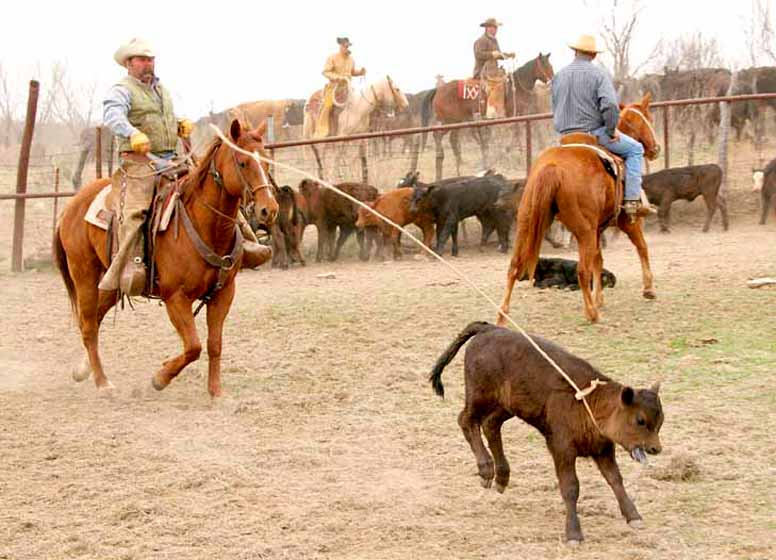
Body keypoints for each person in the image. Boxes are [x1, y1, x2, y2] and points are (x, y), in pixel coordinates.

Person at [101, 38, 269, 296]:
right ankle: (130, 266)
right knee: (136, 211)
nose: (148, 64)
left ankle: (247, 242)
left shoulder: (160, 90)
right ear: (128, 63)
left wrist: (178, 122)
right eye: (142, 59)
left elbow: (159, 117)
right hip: (139, 165)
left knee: (214, 189)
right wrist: (132, 133)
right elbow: (113, 116)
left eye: (150, 59)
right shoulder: (121, 90)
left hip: (170, 159)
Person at [551, 34, 645, 218]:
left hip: (565, 137)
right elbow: (610, 105)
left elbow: (554, 106)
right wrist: (611, 130)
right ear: (593, 55)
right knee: (636, 149)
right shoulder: (598, 74)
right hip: (593, 134)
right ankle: (632, 203)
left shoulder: (559, 76)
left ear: (575, 52)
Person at [314, 37, 366, 138]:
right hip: (334, 88)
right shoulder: (332, 57)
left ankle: (357, 128)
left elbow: (352, 72)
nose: (347, 48)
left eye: (348, 46)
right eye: (346, 46)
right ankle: (321, 131)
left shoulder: (351, 60)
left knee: (359, 102)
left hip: (348, 88)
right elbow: (325, 72)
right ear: (341, 46)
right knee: (327, 106)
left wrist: (360, 72)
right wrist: (338, 78)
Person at [472, 18, 515, 119]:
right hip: (483, 72)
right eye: (493, 27)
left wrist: (508, 55)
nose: (495, 30)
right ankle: (492, 113)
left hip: (493, 72)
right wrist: (491, 54)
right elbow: (478, 54)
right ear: (487, 28)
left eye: (496, 28)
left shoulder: (494, 41)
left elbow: (498, 55)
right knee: (496, 86)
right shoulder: (481, 41)